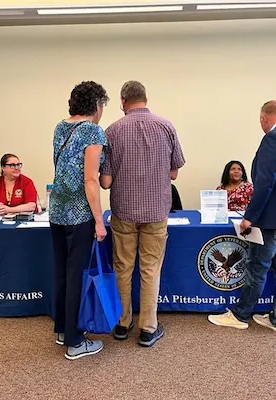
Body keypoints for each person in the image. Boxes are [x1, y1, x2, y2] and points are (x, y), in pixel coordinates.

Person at [208, 100, 276, 335]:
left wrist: (249, 217)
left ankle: (241, 315)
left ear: (264, 118)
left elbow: (264, 183)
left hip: (271, 221)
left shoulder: (273, 139)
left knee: (256, 268)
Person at [100, 80, 185, 347]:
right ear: (145, 99)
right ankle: (149, 327)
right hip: (157, 211)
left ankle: (123, 323)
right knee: (150, 268)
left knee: (123, 268)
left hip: (124, 211)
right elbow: (174, 172)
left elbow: (105, 182)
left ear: (123, 101)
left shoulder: (112, 131)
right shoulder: (166, 126)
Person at [49, 81, 109, 360]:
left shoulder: (60, 126)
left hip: (57, 212)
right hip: (78, 215)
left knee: (62, 272)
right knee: (76, 275)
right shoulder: (92, 131)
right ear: (96, 105)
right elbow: (90, 179)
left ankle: (62, 329)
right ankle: (75, 341)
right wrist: (98, 220)